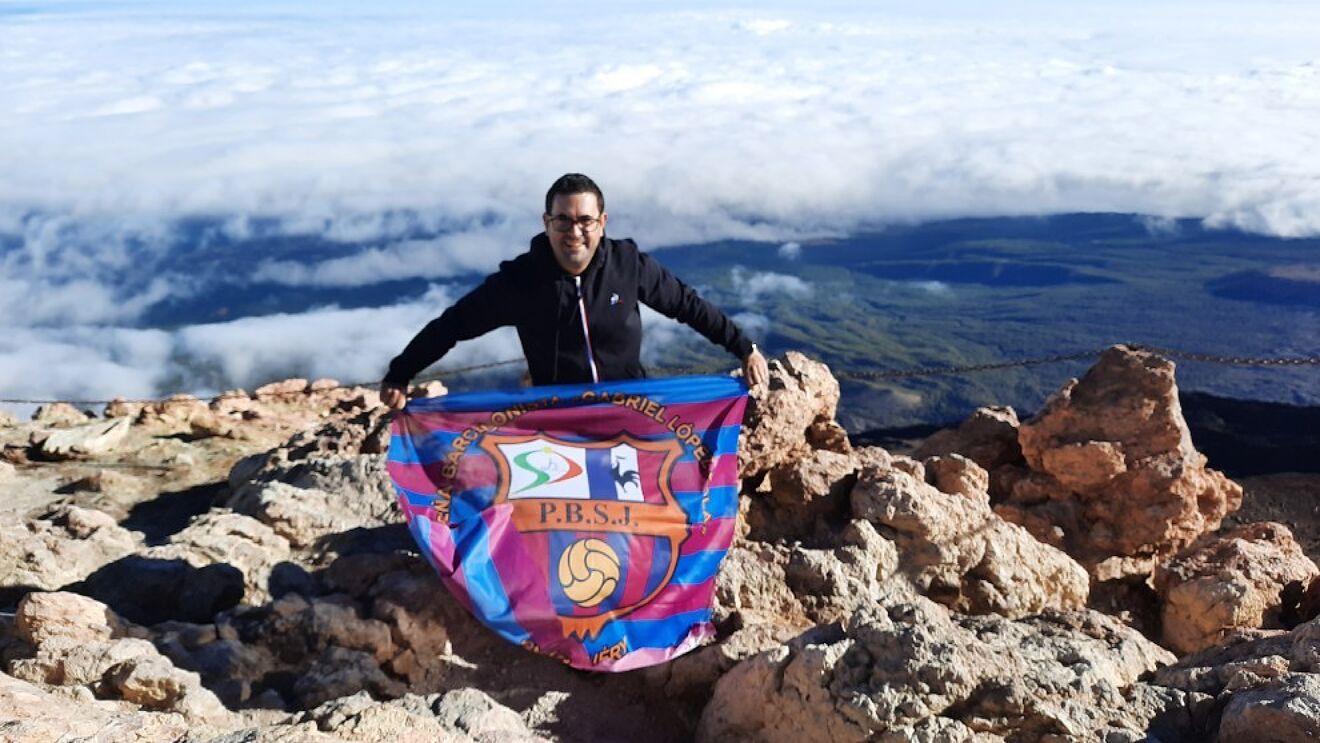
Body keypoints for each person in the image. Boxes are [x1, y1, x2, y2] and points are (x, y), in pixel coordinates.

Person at [380, 173, 769, 409]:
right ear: (546, 222)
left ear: (602, 222)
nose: (574, 231)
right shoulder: (521, 280)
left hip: (628, 412)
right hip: (557, 420)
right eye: (562, 221)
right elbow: (454, 325)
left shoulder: (628, 265)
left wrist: (744, 348)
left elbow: (689, 306)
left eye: (585, 220)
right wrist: (401, 373)